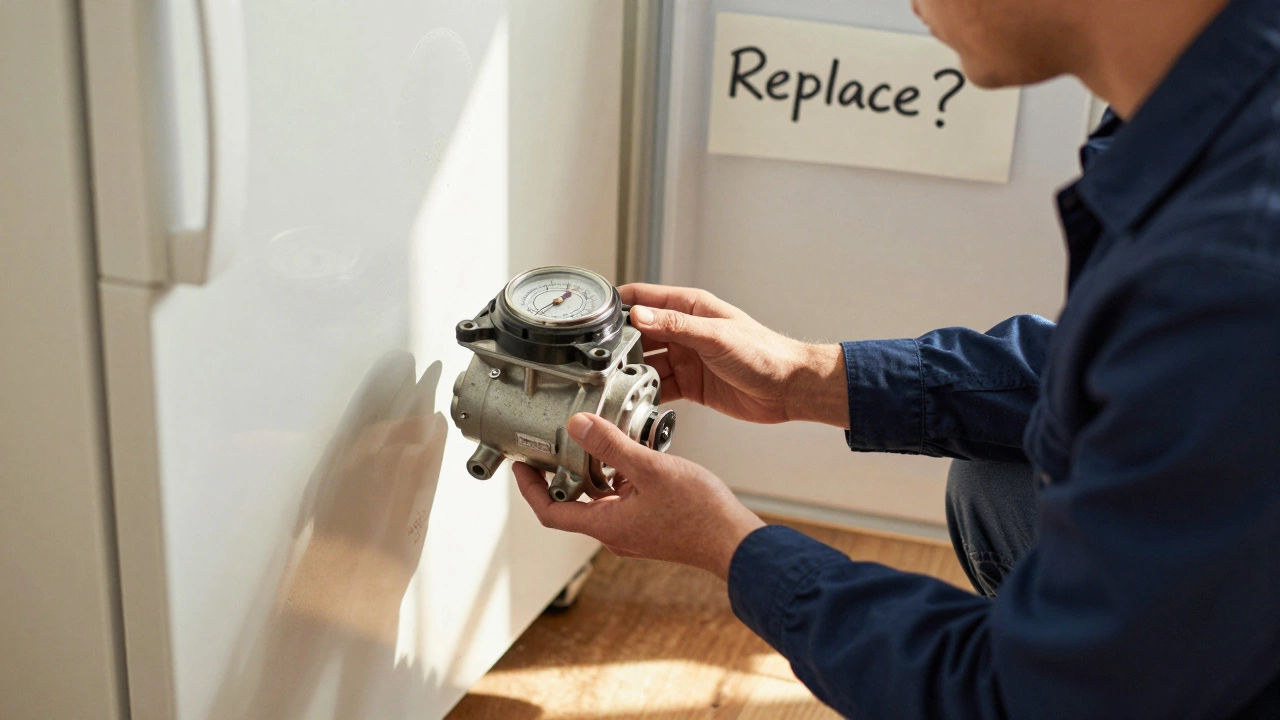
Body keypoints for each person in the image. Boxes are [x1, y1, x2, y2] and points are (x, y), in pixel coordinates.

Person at [512, 0, 1280, 716]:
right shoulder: (1210, 113)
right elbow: (1119, 382)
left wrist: (731, 547)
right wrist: (805, 378)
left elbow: (1021, 696)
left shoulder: (1225, 272)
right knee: (1001, 482)